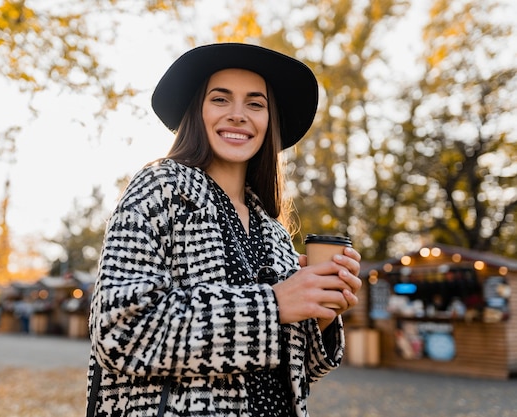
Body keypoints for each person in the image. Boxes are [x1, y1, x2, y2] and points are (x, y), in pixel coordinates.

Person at [86, 43, 362, 417]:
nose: (237, 115)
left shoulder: (274, 232)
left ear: (269, 120)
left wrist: (322, 312)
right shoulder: (160, 187)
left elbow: (297, 372)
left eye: (255, 103)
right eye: (220, 99)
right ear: (197, 112)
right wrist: (275, 303)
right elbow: (119, 333)